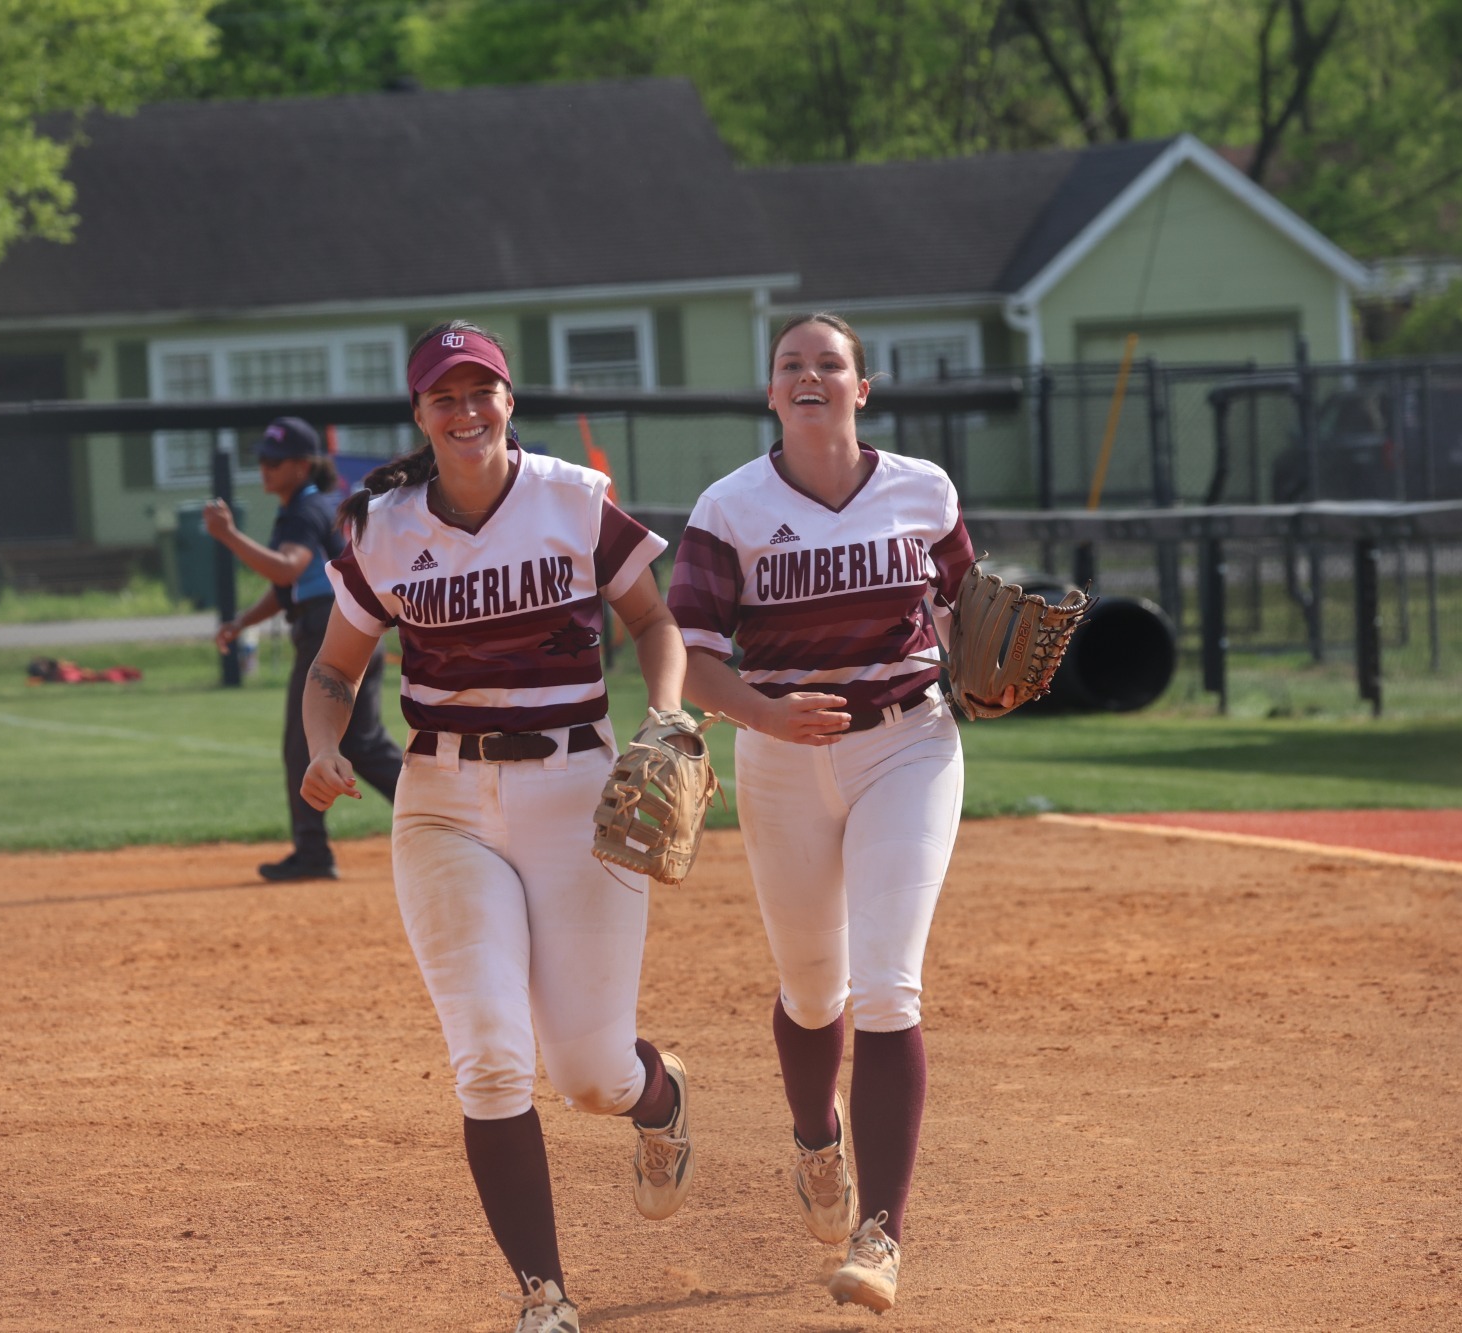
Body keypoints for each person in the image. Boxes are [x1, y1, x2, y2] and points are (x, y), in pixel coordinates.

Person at [298, 322, 694, 1333]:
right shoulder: (384, 527)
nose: (466, 410)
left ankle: (656, 1098)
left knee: (590, 1075)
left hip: (576, 790)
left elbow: (653, 621)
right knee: (488, 1055)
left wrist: (667, 714)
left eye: (483, 391)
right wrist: (325, 743)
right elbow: (336, 668)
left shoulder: (573, 498)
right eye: (445, 395)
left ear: (509, 401)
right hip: (443, 800)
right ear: (420, 414)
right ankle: (544, 1296)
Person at [668, 311, 990, 1314]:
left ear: (862, 387)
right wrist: (764, 713)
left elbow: (964, 614)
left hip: (907, 742)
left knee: (887, 985)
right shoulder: (730, 507)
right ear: (772, 392)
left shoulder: (923, 490)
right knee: (813, 991)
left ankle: (880, 1233)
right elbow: (690, 658)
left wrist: (987, 671)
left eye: (829, 363)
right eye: (791, 365)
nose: (810, 375)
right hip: (779, 757)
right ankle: (817, 1136)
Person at [206, 417, 404, 882]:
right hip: (350, 628)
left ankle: (313, 852)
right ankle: (445, 817)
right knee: (364, 744)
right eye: (262, 459)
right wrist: (242, 622)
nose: (265, 468)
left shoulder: (304, 510)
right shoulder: (315, 506)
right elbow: (291, 588)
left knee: (303, 746)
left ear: (302, 465)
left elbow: (287, 569)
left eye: (275, 461)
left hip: (329, 636)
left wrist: (228, 535)